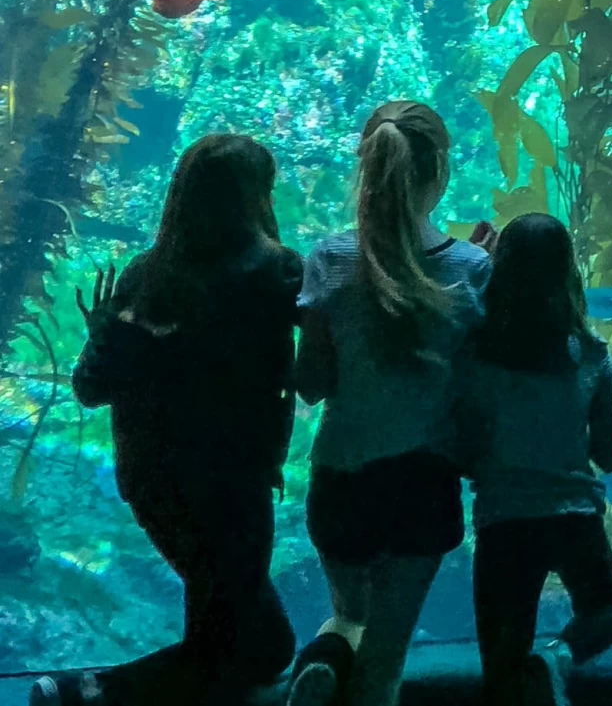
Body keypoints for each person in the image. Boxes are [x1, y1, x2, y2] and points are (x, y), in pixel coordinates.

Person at [34, 133, 303, 706]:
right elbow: (282, 381)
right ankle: (81, 691)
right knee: (227, 648)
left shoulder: (145, 275)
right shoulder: (275, 273)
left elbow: (89, 389)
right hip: (232, 486)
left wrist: (104, 338)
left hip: (155, 483)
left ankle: (81, 690)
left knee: (263, 643)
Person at [287, 101, 491, 706]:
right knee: (388, 657)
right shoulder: (472, 267)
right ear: (441, 172)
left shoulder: (328, 259)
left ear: (366, 171)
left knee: (350, 611)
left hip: (342, 477)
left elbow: (311, 384)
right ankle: (344, 671)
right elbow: (476, 383)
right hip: (422, 483)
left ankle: (325, 655)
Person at [452, 212, 612, 706]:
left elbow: (464, 452)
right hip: (575, 516)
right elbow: (609, 456)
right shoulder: (591, 354)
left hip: (503, 520)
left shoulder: (475, 357)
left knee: (501, 661)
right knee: (605, 611)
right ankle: (558, 656)